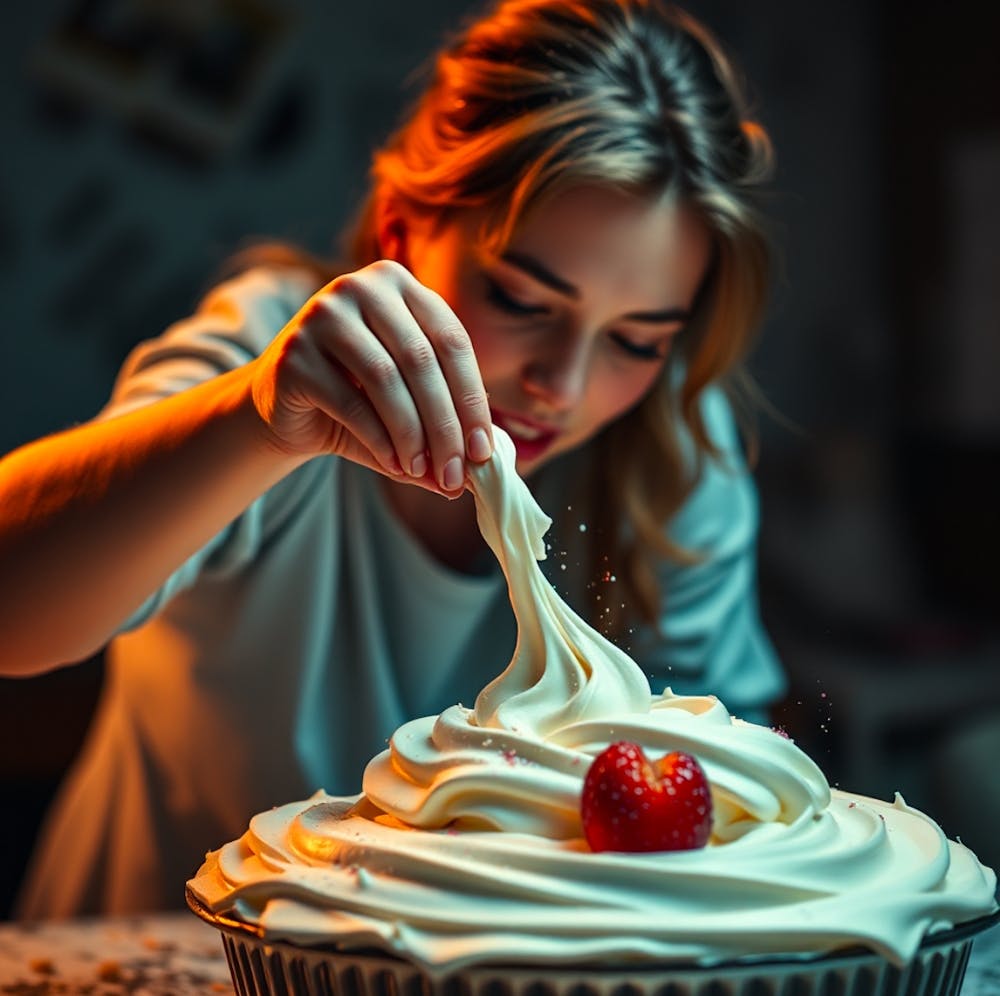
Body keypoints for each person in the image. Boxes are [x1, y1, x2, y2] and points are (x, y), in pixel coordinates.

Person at [0, 0, 784, 917]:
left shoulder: (674, 455)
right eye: (523, 300)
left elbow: (724, 811)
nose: (563, 387)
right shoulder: (265, 353)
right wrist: (250, 423)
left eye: (637, 341)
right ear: (408, 229)